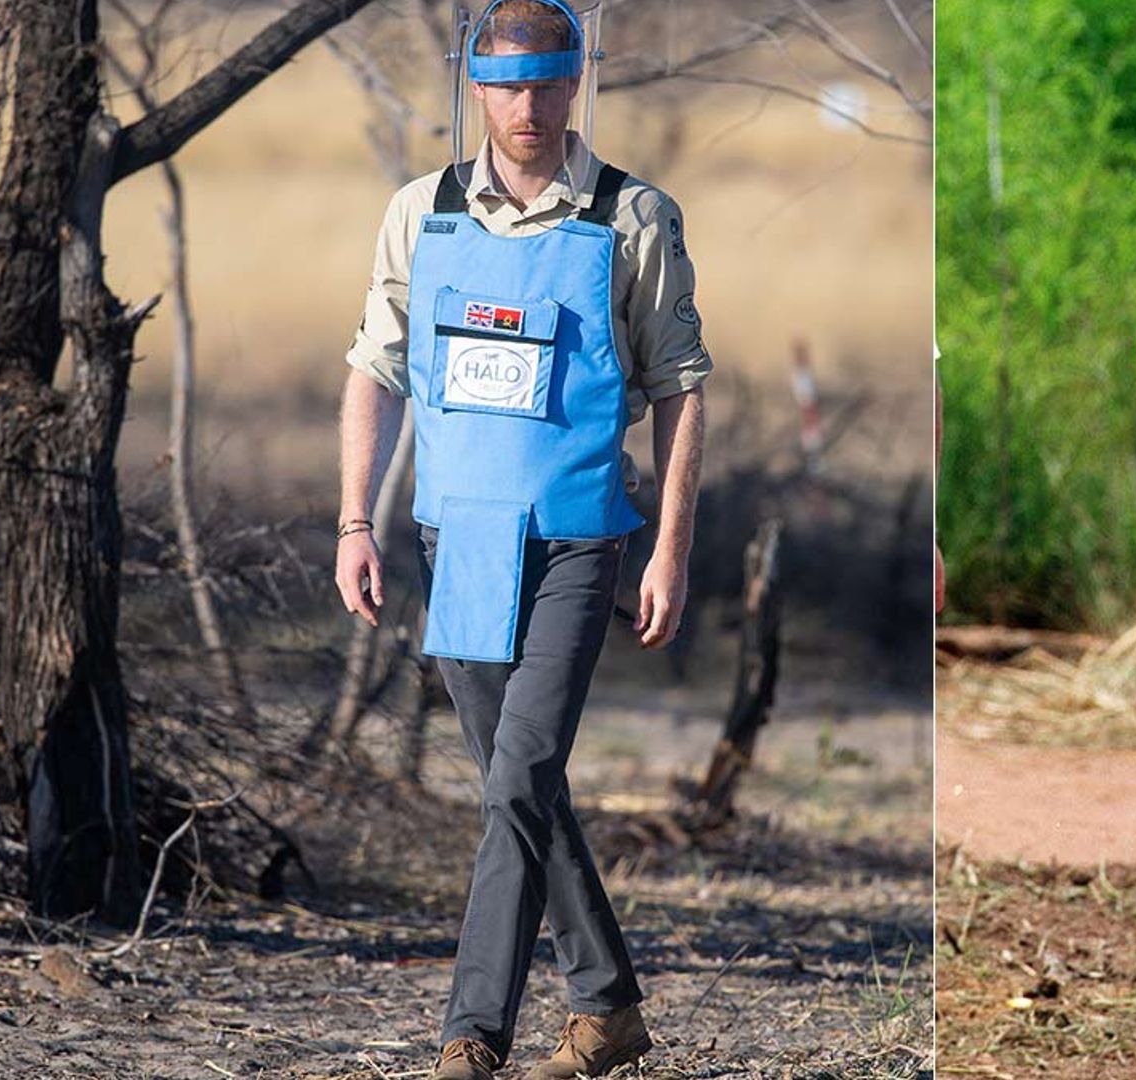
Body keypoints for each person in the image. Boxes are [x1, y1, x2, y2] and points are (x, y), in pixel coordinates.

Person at [333, 1, 710, 1076]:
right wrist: (355, 520)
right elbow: (374, 368)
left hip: (580, 543)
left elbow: (682, 389)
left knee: (517, 779)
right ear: (477, 89)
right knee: (521, 783)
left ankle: (471, 1038)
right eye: (506, 86)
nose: (528, 107)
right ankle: (609, 1008)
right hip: (456, 542)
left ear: (575, 81)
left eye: (546, 83)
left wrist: (671, 549)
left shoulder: (634, 216)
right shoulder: (422, 212)